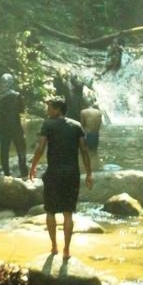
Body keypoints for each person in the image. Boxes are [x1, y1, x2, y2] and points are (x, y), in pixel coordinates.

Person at [28, 97, 94, 259]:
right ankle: (67, 250)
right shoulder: (77, 126)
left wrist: (33, 166)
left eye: (49, 108)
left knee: (50, 211)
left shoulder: (48, 125)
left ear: (58, 110)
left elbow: (41, 147)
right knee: (68, 213)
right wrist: (89, 173)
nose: (47, 111)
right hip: (72, 174)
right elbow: (84, 151)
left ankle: (54, 247)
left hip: (53, 174)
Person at [0, 73, 26, 177]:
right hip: (15, 125)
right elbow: (21, 110)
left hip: (2, 126)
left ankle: (6, 173)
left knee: (4, 150)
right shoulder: (17, 95)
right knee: (21, 149)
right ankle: (24, 172)